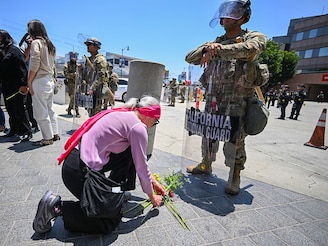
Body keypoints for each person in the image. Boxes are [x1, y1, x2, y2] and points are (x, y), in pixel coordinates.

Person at [32, 95, 165, 234]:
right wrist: (152, 197)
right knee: (108, 222)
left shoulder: (125, 114)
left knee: (130, 153)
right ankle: (56, 208)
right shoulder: (138, 128)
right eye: (156, 122)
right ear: (149, 116)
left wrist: (153, 183)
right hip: (80, 172)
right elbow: (141, 167)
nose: (153, 126)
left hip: (76, 161)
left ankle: (115, 194)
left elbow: (139, 159)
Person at [185, 0, 267, 195]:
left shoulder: (253, 37)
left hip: (238, 100)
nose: (226, 17)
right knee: (209, 134)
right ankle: (206, 164)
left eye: (233, 13)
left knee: (235, 140)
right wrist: (207, 49)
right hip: (214, 97)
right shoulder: (215, 41)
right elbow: (190, 57)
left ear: (244, 17)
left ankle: (235, 175)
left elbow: (251, 49)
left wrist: (218, 50)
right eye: (225, 13)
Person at [26, 20, 60, 146]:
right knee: (50, 109)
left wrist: (29, 82)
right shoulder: (50, 44)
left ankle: (47, 138)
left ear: (32, 31)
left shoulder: (36, 43)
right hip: (49, 80)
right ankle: (54, 133)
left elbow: (34, 63)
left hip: (39, 80)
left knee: (41, 112)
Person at [0, 29, 32, 141]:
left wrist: (24, 84)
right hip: (6, 86)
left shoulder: (14, 50)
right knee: (10, 108)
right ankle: (14, 130)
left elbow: (22, 67)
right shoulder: (3, 51)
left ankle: (27, 131)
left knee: (19, 109)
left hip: (17, 86)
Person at [81, 37, 111, 117]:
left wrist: (92, 88)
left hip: (96, 91)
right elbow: (86, 75)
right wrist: (80, 70)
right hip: (89, 91)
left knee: (96, 115)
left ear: (96, 46)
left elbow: (100, 76)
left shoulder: (100, 59)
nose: (87, 46)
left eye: (89, 44)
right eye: (87, 44)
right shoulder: (89, 59)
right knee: (90, 113)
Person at [64, 51, 81, 118]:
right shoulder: (67, 65)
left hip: (77, 84)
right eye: (73, 56)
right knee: (73, 98)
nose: (74, 58)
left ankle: (69, 109)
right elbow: (66, 74)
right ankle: (76, 112)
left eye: (75, 57)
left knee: (75, 98)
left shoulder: (78, 65)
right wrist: (73, 75)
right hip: (70, 84)